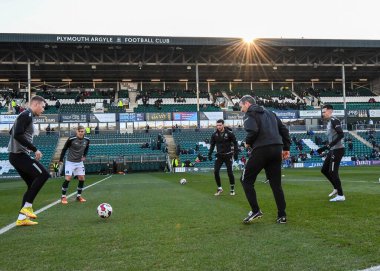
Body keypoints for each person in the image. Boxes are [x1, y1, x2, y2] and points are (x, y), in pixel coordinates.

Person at [238, 95, 291, 224]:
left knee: (245, 180)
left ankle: (255, 210)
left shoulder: (249, 114)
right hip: (277, 148)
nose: (241, 109)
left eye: (241, 106)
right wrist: (286, 148)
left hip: (261, 149)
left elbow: (253, 131)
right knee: (276, 185)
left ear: (246, 103)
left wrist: (247, 142)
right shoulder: (271, 113)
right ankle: (282, 215)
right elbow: (284, 129)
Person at [8, 95, 50, 226]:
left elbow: (11, 132)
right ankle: (27, 207)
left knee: (32, 183)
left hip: (18, 155)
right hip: (19, 155)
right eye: (43, 107)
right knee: (44, 174)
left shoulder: (26, 116)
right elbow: (16, 134)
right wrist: (34, 149)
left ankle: (22, 218)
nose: (43, 110)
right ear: (36, 104)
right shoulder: (27, 115)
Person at [317, 104, 346, 202]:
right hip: (333, 149)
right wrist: (324, 148)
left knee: (333, 172)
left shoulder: (334, 120)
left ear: (330, 111)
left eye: (324, 112)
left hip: (338, 149)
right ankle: (336, 188)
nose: (323, 114)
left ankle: (341, 195)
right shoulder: (329, 122)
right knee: (324, 170)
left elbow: (341, 134)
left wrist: (328, 146)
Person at [59, 126, 90, 204]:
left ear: (84, 132)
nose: (81, 132)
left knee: (82, 178)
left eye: (82, 131)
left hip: (79, 162)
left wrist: (84, 156)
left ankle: (78, 196)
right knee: (68, 178)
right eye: (79, 131)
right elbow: (64, 149)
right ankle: (63, 197)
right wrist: (60, 159)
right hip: (70, 162)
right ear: (77, 131)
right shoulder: (71, 139)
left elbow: (87, 148)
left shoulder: (87, 140)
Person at [208, 119, 239, 196]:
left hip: (228, 155)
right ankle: (220, 188)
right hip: (219, 155)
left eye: (220, 125)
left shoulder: (229, 133)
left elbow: (235, 143)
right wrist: (210, 154)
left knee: (230, 173)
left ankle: (232, 189)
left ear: (223, 125)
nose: (218, 127)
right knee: (216, 171)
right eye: (217, 125)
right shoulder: (214, 134)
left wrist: (236, 153)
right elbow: (212, 145)